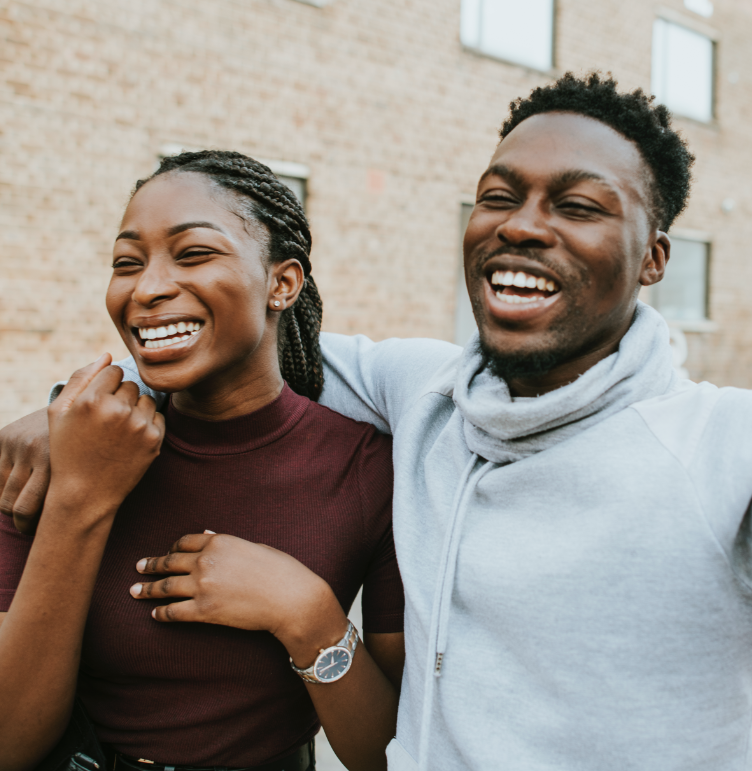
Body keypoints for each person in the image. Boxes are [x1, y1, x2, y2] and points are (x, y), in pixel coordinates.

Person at [3, 72, 751, 771]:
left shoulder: (718, 448)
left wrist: (308, 613)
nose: (522, 228)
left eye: (580, 206)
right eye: (497, 197)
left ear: (655, 259)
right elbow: (236, 341)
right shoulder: (428, 394)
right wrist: (82, 398)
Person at [0, 151, 406, 771]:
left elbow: (389, 756)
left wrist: (307, 614)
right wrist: (82, 498)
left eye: (193, 254)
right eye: (125, 264)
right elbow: (8, 743)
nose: (148, 288)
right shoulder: (51, 456)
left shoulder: (371, 471)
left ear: (283, 284)